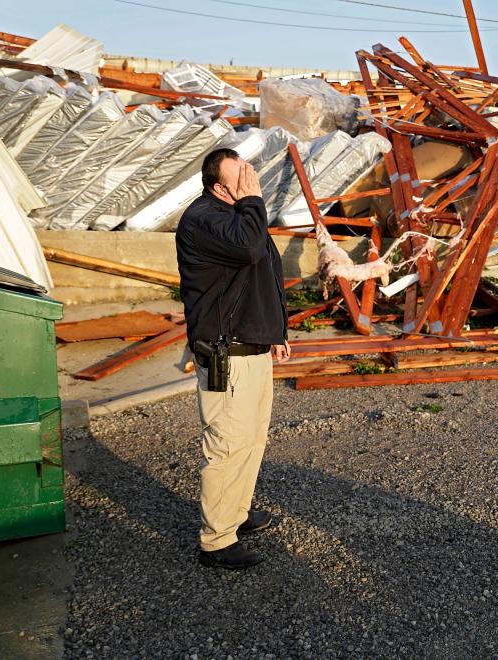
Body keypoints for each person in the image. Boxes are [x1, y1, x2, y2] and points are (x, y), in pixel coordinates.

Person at [176, 149, 290, 570]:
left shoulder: (240, 215)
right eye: (240, 176)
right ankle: (216, 541)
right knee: (227, 445)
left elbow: (266, 270)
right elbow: (247, 251)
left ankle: (235, 515)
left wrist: (276, 332)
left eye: (249, 170)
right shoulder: (205, 218)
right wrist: (253, 200)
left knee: (251, 441)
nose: (250, 179)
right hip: (227, 352)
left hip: (252, 346)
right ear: (218, 186)